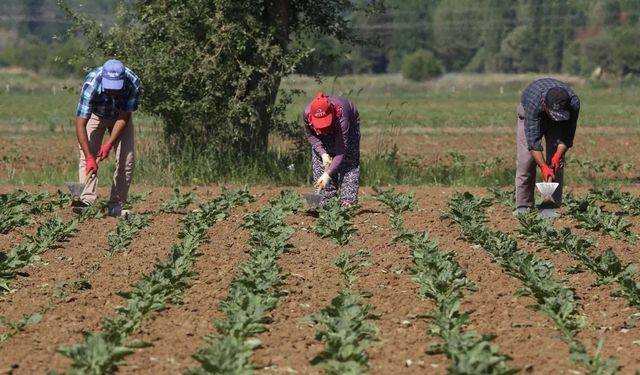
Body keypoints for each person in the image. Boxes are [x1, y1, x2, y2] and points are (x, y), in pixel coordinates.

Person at [70, 59, 141, 217]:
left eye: (116, 88)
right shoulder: (92, 83)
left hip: (119, 119)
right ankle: (85, 200)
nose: (113, 92)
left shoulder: (133, 83)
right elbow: (80, 123)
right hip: (96, 116)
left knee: (126, 160)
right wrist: (90, 157)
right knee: (86, 157)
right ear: (103, 78)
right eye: (109, 87)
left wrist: (109, 144)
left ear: (122, 80)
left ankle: (116, 205)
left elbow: (124, 117)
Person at [514, 78, 580, 216]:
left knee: (556, 165)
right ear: (544, 104)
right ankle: (523, 206)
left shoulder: (573, 103)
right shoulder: (534, 102)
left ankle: (548, 206)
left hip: (558, 123)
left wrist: (557, 156)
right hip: (529, 114)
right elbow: (533, 142)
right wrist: (543, 166)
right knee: (526, 162)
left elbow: (568, 135)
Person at [303, 91, 361, 207]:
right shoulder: (307, 114)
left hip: (346, 123)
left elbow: (341, 151)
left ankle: (347, 202)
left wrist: (327, 174)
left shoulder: (342, 118)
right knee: (320, 161)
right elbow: (311, 136)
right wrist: (323, 153)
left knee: (348, 163)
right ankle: (325, 202)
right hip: (327, 124)